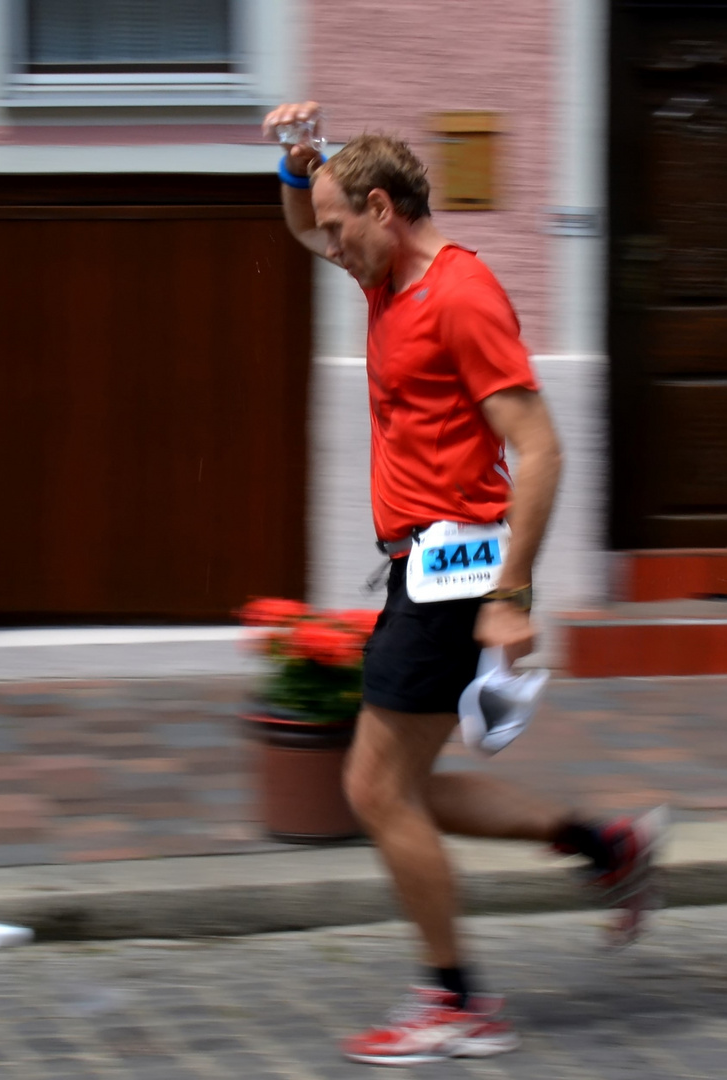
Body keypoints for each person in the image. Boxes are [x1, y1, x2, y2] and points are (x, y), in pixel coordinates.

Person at [262, 101, 664, 1067]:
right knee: (407, 787)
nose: (327, 246)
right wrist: (292, 160)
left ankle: (456, 1002)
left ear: (383, 206)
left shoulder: (458, 295)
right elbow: (300, 223)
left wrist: (512, 596)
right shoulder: (384, 279)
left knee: (372, 786)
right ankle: (603, 844)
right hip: (419, 567)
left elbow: (540, 448)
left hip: (456, 569)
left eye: (338, 226)